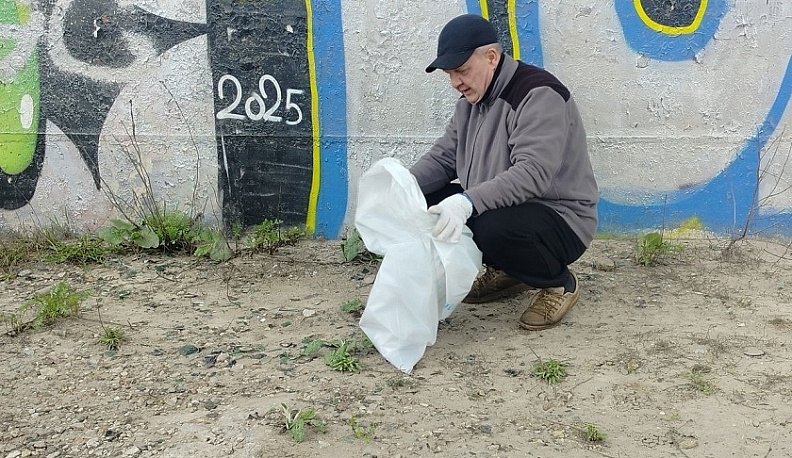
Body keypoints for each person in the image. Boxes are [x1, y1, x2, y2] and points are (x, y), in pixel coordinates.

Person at [409, 14, 599, 330]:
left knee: (490, 225)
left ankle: (558, 283)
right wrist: (403, 186)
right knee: (424, 199)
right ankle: (510, 271)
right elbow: (444, 159)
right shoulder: (468, 103)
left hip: (561, 220)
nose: (456, 81)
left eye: (462, 70)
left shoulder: (538, 94)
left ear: (492, 57)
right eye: (450, 74)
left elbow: (533, 173)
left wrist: (466, 202)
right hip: (505, 209)